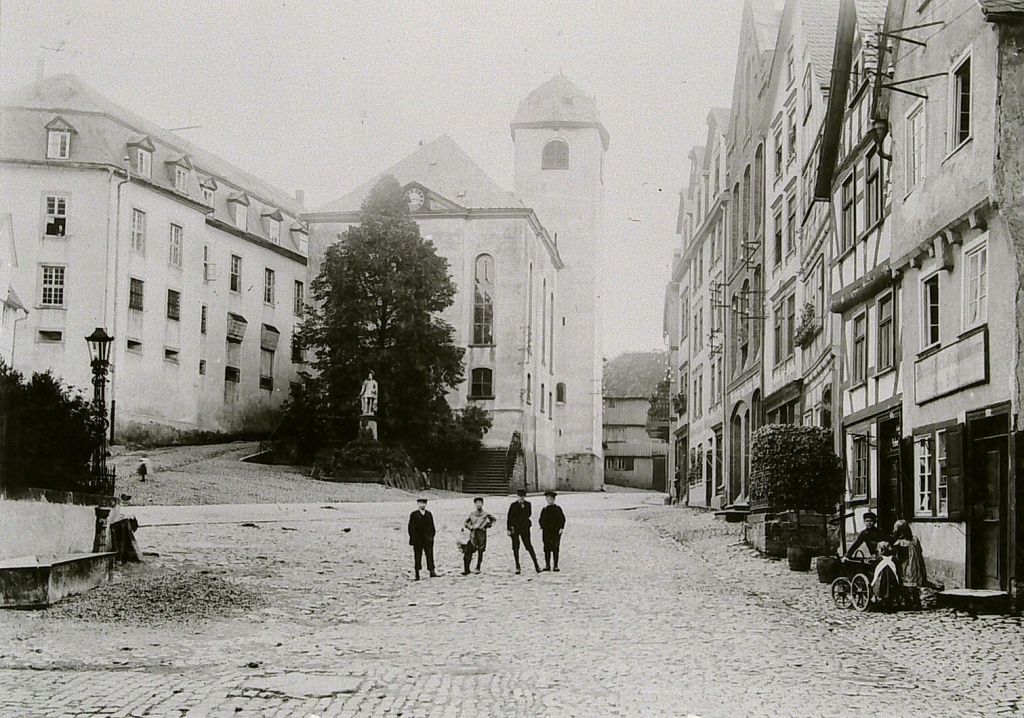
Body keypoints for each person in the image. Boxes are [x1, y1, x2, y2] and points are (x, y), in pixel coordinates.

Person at [891, 519, 928, 608]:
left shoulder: (900, 543)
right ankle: (916, 602)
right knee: (914, 585)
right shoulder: (914, 539)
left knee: (906, 584)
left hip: (907, 565)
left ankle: (908, 602)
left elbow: (901, 558)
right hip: (917, 564)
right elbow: (920, 551)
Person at [507, 489, 542, 575]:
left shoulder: (528, 504)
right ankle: (517, 566)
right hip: (515, 528)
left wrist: (522, 516)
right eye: (519, 496)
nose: (521, 498)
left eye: (522, 496)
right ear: (517, 496)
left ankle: (536, 565)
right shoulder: (513, 505)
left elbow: (528, 514)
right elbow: (509, 517)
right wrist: (508, 529)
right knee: (516, 547)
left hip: (524, 528)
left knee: (528, 546)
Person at [462, 497, 496, 575]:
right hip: (473, 535)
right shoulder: (472, 514)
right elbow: (466, 523)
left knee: (480, 551)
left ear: (482, 504)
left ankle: (478, 567)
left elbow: (493, 520)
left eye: (480, 503)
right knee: (468, 551)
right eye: (477, 503)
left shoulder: (485, 514)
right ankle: (466, 569)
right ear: (475, 504)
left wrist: (486, 526)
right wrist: (470, 527)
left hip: (481, 534)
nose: (478, 505)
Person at [407, 498, 437, 580]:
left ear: (426, 504)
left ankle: (432, 571)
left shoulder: (428, 514)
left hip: (427, 539)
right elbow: (410, 527)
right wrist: (412, 538)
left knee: (430, 555)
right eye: (420, 503)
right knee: (417, 556)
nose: (422, 505)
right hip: (418, 539)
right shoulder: (414, 514)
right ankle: (417, 573)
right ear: (418, 504)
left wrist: (431, 537)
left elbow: (432, 526)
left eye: (424, 503)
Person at [538, 491, 566, 572]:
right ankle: (547, 565)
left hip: (555, 531)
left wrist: (561, 528)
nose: (549, 500)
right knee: (546, 547)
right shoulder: (545, 509)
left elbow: (562, 519)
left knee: (555, 547)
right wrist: (542, 526)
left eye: (551, 499)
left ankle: (555, 565)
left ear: (554, 500)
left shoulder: (557, 509)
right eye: (548, 499)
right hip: (546, 531)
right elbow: (541, 519)